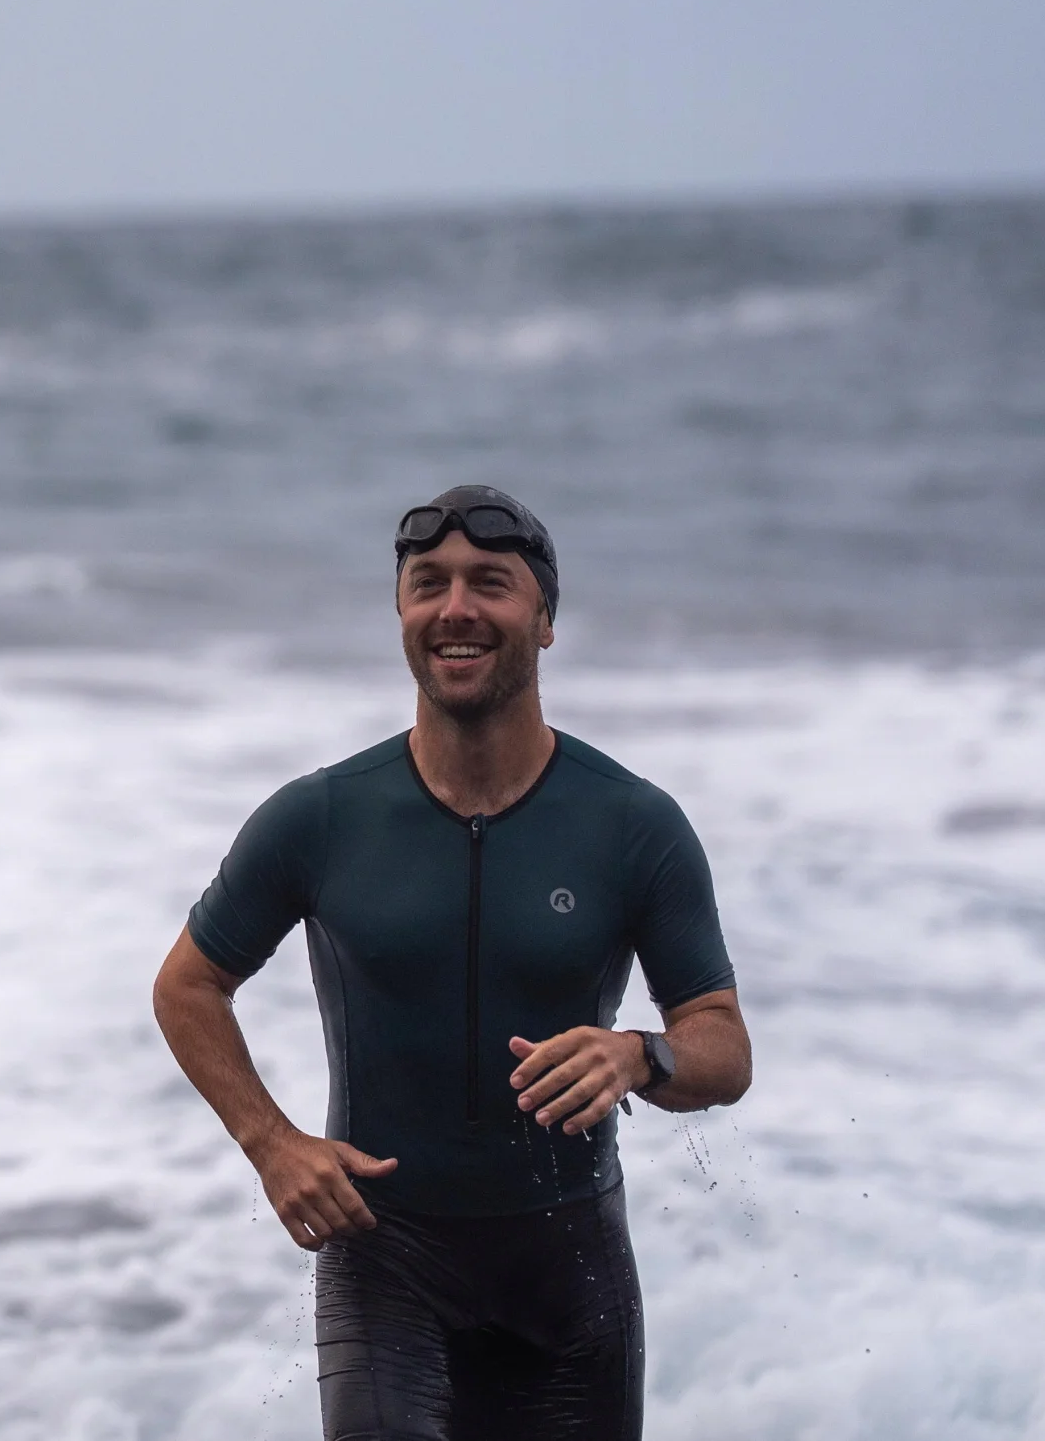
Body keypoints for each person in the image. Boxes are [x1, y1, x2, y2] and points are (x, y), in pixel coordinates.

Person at [152, 485, 751, 1441]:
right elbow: (188, 986)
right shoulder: (322, 818)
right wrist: (272, 1144)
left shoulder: (632, 824)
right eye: (428, 583)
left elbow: (722, 1046)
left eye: (490, 584)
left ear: (545, 619)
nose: (455, 608)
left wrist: (641, 1055)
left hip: (572, 1277)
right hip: (385, 1262)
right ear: (401, 613)